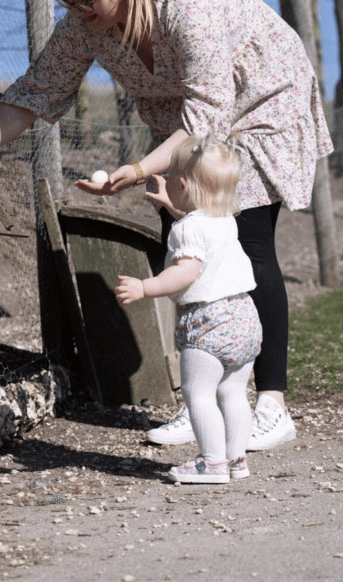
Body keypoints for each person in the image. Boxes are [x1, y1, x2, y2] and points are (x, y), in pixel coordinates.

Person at [0, 0, 332, 452]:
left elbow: (207, 117)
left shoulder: (189, 2)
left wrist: (140, 170)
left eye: (83, 0)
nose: (73, 12)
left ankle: (271, 405)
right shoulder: (84, 24)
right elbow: (33, 94)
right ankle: (205, 400)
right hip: (183, 118)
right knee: (186, 246)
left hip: (260, 99)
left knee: (244, 241)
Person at [115, 135, 260, 484]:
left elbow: (186, 271)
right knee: (233, 392)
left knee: (199, 393)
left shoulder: (188, 229)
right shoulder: (224, 218)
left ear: (181, 183)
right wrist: (172, 205)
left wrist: (145, 287)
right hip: (244, 316)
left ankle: (212, 463)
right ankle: (236, 459)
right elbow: (200, 228)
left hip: (209, 320)